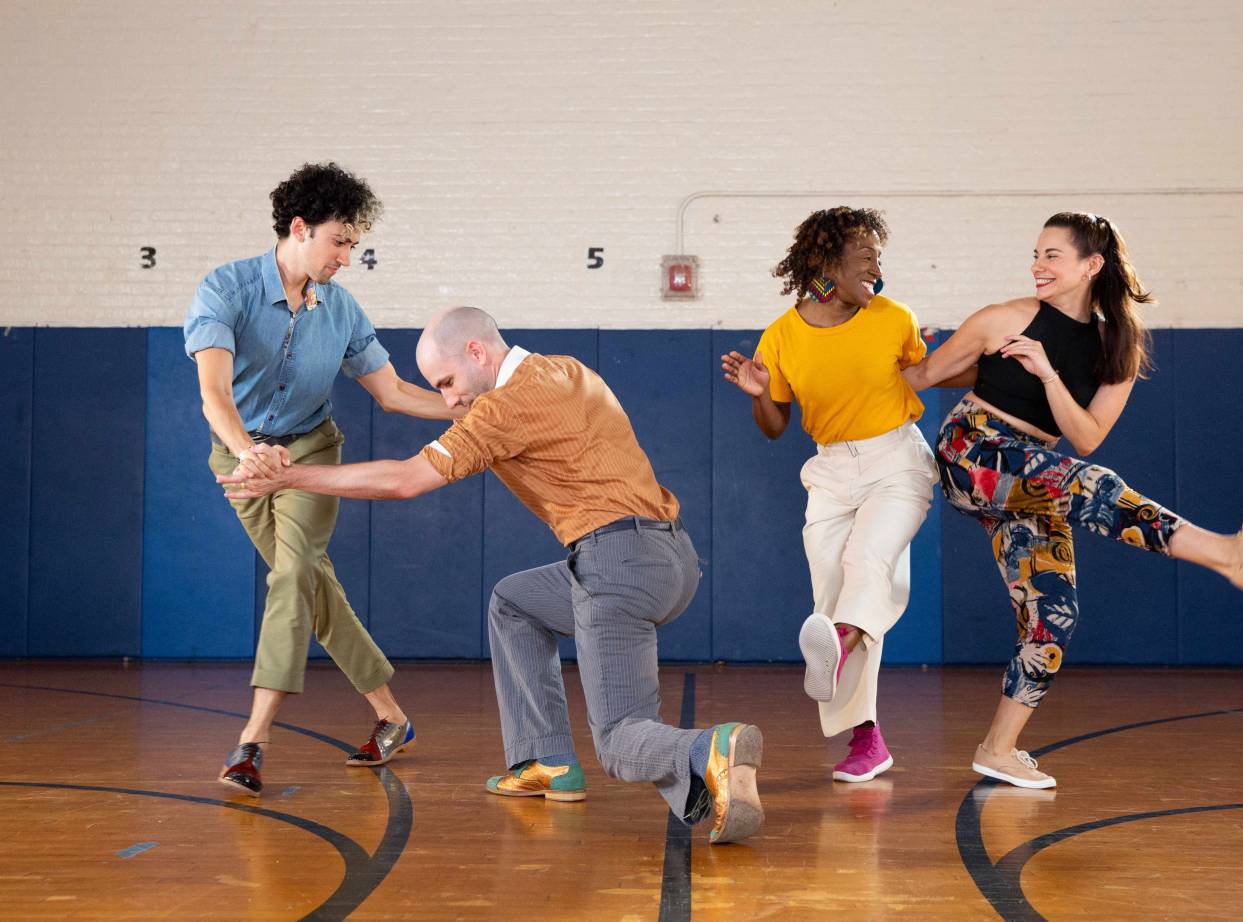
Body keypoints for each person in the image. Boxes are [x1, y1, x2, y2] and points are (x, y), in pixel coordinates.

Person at [219, 306, 765, 844]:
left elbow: (404, 480)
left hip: (617, 566)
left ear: (477, 351)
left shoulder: (502, 410)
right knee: (515, 601)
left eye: (449, 381)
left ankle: (708, 749)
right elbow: (478, 415)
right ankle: (545, 759)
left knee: (620, 742)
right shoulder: (567, 369)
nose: (450, 399)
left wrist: (287, 478)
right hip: (670, 558)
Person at [903, 211, 1243, 789]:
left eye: (1052, 255)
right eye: (1036, 253)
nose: (1038, 264)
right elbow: (923, 374)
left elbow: (1084, 436)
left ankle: (998, 748)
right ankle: (1229, 553)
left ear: (1091, 265)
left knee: (1053, 615)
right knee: (1093, 484)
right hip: (972, 453)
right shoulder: (1001, 319)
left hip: (1033, 478)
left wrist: (1047, 372)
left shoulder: (1119, 345)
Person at [184, 162, 458, 795]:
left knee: (294, 575)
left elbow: (391, 393)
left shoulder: (342, 310)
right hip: (242, 461)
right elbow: (215, 396)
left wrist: (472, 406)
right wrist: (249, 452)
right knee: (313, 584)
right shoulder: (225, 290)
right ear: (300, 229)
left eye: (355, 246)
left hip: (309, 454)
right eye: (341, 242)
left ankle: (251, 743)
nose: (347, 257)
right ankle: (391, 716)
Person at [722, 206, 962, 783]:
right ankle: (867, 740)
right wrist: (759, 393)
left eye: (880, 254)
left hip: (896, 462)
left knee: (867, 565)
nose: (878, 265)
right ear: (827, 261)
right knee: (833, 593)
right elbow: (775, 425)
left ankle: (842, 637)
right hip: (830, 471)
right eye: (867, 254)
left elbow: (923, 374)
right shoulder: (780, 336)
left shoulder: (892, 317)